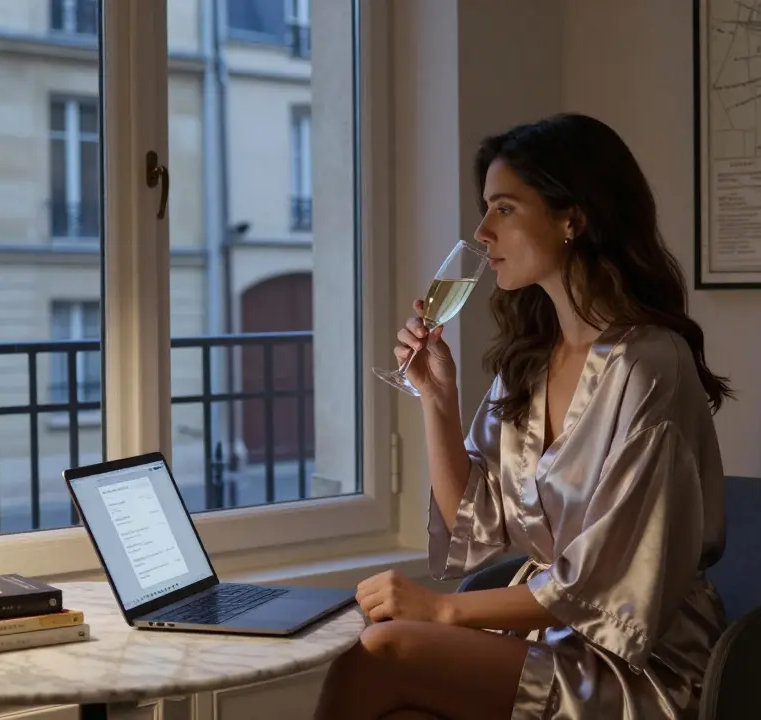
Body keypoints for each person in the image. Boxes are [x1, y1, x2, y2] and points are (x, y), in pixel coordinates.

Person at [313, 113, 733, 720]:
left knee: (382, 651)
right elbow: (474, 523)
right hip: (549, 642)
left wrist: (442, 611)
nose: (482, 232)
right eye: (486, 209)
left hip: (641, 662)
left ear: (573, 219)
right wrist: (438, 399)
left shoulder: (649, 367)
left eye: (504, 209)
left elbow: (607, 584)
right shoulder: (530, 362)